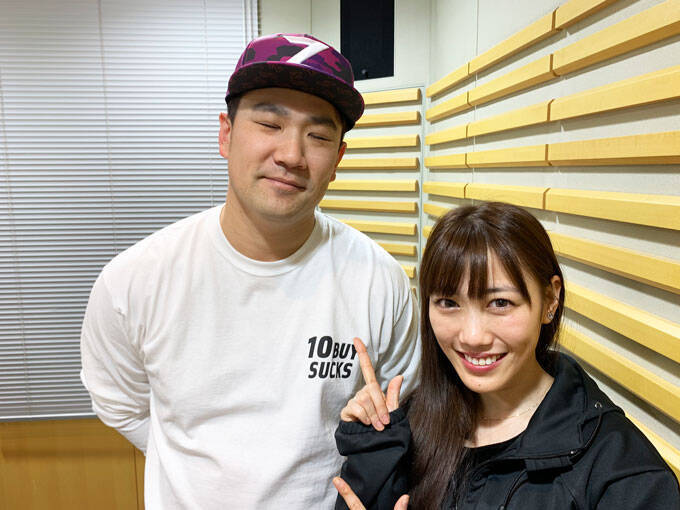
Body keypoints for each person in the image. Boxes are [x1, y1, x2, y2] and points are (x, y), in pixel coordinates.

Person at [80, 33, 420, 509]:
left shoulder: (379, 281)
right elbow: (123, 406)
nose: (291, 155)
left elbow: (399, 412)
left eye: (318, 136)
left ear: (337, 160)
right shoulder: (135, 280)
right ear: (226, 134)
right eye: (269, 124)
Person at [333, 202, 679, 509]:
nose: (472, 336)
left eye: (500, 303)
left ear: (550, 299)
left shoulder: (622, 473)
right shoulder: (409, 429)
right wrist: (374, 449)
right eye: (448, 303)